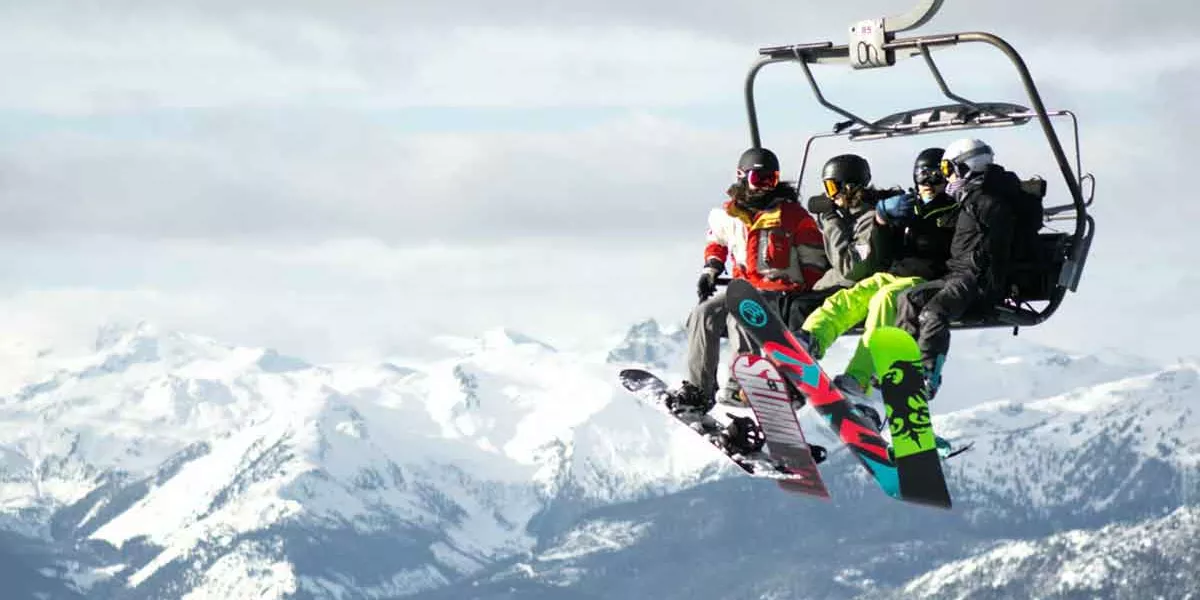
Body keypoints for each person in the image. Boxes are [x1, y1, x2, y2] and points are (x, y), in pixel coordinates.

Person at [669, 147, 828, 413]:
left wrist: (809, 295)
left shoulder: (791, 216)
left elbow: (813, 258)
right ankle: (699, 389)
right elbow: (716, 242)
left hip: (780, 291)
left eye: (771, 180)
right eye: (758, 179)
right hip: (743, 287)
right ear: (742, 177)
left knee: (742, 312)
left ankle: (744, 383)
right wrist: (711, 270)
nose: (764, 187)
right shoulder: (728, 215)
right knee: (703, 314)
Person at [795, 147, 960, 399]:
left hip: (926, 279)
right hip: (893, 273)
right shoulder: (909, 207)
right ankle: (811, 339)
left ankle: (858, 378)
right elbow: (881, 255)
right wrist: (883, 222)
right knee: (850, 297)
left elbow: (951, 252)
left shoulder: (953, 211)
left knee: (884, 300)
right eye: (921, 175)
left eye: (936, 176)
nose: (927, 183)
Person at [895, 138, 1024, 398]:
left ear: (966, 168)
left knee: (934, 312)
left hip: (978, 279)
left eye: (948, 170)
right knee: (908, 298)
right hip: (958, 274)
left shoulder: (990, 202)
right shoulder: (973, 199)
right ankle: (901, 363)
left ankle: (928, 373)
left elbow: (998, 239)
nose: (948, 178)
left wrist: (976, 197)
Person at [805, 154, 881, 291]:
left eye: (831, 187)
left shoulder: (869, 221)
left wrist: (830, 220)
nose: (829, 195)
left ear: (848, 187)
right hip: (836, 285)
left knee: (798, 307)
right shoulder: (848, 217)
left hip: (855, 288)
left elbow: (851, 268)